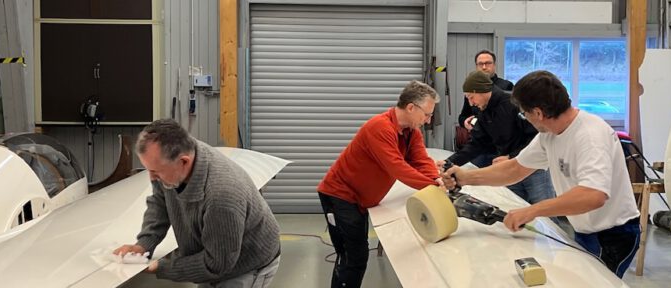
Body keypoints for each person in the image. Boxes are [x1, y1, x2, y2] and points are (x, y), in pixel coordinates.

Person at [442, 70, 641, 278]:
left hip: (613, 234)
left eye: (524, 113)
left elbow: (594, 195)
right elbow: (515, 168)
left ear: (537, 113)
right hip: (585, 229)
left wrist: (532, 211)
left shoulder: (590, 136)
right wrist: (466, 177)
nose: (524, 118)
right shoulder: (549, 135)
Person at [114, 119, 281, 287]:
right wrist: (144, 245)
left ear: (184, 161)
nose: (152, 178)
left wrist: (161, 267)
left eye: (155, 172)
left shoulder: (222, 197)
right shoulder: (175, 156)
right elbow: (160, 200)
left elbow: (216, 264)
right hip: (218, 252)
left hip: (248, 263)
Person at [317, 80, 443, 288]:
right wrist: (434, 186)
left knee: (356, 255)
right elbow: (397, 167)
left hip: (360, 199)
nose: (428, 120)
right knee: (353, 257)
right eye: (427, 114)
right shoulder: (380, 127)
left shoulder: (412, 132)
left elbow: (421, 160)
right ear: (411, 107)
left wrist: (435, 179)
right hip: (340, 196)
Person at [443, 70, 555, 205]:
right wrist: (448, 163)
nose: (471, 103)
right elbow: (476, 144)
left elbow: (536, 137)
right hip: (509, 170)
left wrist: (511, 156)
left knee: (545, 211)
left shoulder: (514, 104)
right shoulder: (484, 112)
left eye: (471, 97)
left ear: (481, 91)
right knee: (515, 209)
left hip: (533, 168)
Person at [458, 50, 515, 167]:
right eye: (480, 64)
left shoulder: (507, 89)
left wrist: (511, 156)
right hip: (480, 146)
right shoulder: (471, 88)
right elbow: (463, 116)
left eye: (488, 63)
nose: (484, 67)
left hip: (503, 151)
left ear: (494, 65)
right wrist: (466, 122)